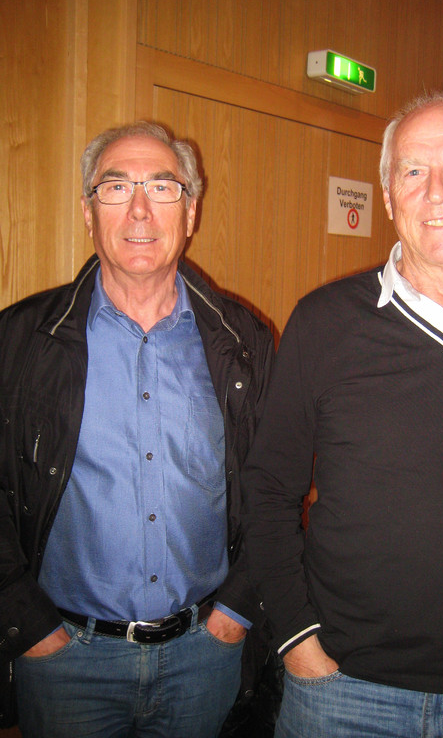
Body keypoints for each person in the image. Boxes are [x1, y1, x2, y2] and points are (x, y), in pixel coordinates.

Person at [242, 93, 443, 738]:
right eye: (413, 170)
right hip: (338, 694)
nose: (436, 192)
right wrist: (298, 643)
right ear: (390, 195)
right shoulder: (322, 323)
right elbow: (267, 490)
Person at [0, 121, 274, 737]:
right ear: (88, 211)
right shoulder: (20, 341)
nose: (141, 210)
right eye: (117, 187)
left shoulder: (244, 343)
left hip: (205, 656)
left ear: (191, 211)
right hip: (65, 661)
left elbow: (272, 492)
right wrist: (29, 626)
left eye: (163, 187)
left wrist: (234, 614)